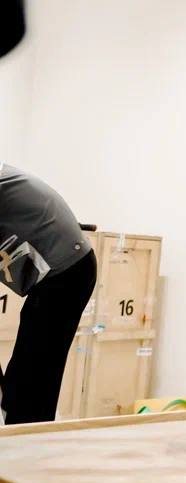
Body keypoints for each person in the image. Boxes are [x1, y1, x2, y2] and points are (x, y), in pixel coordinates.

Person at [0, 164, 96, 424]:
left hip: (67, 272)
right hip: (62, 271)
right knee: (27, 374)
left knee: (34, 375)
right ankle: (21, 430)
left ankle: (26, 439)